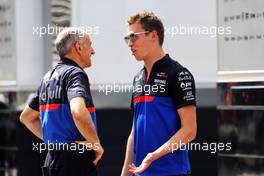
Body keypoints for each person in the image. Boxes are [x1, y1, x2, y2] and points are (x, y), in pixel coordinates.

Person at [19, 27, 104, 176]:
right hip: (75, 162)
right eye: (90, 45)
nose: (93, 51)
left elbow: (26, 118)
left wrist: (55, 143)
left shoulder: (48, 77)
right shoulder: (75, 74)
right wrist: (96, 144)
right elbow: (78, 111)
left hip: (52, 160)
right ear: (78, 47)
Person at [121, 12, 197, 176]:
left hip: (172, 172)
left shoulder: (178, 74)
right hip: (141, 172)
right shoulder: (138, 78)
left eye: (134, 37)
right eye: (127, 38)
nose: (130, 44)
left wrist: (153, 156)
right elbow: (134, 134)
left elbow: (190, 130)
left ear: (153, 35)